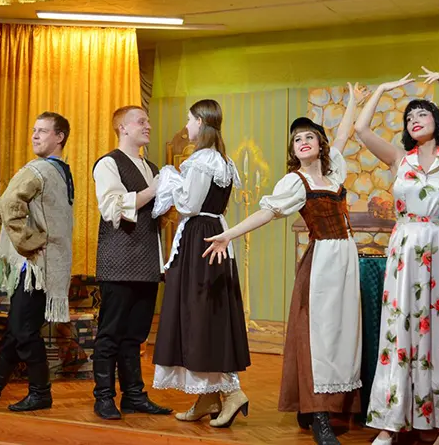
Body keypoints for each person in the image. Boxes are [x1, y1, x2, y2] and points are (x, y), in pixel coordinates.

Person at [203, 83, 366, 445]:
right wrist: (229, 235)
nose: (303, 142)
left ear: (320, 144)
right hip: (323, 262)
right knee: (320, 338)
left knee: (344, 335)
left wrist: (354, 100)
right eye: (296, 140)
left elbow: (343, 134)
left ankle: (325, 408)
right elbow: (267, 212)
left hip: (346, 260)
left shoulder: (333, 173)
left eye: (309, 137)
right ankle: (318, 412)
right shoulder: (296, 181)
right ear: (293, 151)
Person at [358, 68, 439, 445]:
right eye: (409, 116)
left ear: (437, 122)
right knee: (400, 328)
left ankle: (438, 420)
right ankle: (390, 422)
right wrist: (381, 88)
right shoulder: (399, 159)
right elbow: (361, 129)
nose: (414, 119)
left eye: (422, 113)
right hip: (406, 248)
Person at [151, 99, 251, 428]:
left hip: (199, 240)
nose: (186, 126)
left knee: (198, 313)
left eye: (189, 120)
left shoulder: (202, 160)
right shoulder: (223, 160)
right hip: (213, 232)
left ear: (200, 122)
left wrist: (170, 178)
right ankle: (208, 397)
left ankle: (231, 392)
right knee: (208, 312)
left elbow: (189, 204)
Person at [0, 111, 75, 412]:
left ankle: (40, 392)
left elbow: (9, 207)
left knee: (24, 330)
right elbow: (8, 209)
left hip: (34, 265)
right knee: (20, 326)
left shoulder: (35, 170)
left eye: (43, 131)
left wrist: (27, 241)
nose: (35, 136)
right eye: (33, 130)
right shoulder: (62, 172)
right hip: (53, 264)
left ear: (60, 137)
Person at [91, 105, 172, 420]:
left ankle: (134, 395)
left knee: (136, 335)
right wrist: (154, 190)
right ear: (122, 128)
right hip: (119, 261)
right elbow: (112, 208)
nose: (147, 125)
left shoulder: (151, 167)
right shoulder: (108, 163)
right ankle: (103, 397)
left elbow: (154, 212)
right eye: (141, 121)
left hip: (147, 262)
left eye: (148, 121)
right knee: (110, 334)